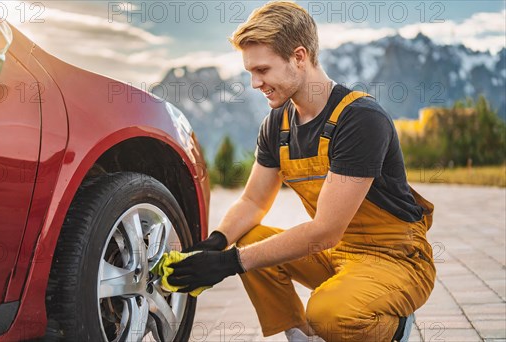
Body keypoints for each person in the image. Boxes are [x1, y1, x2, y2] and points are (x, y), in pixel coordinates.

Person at [168, 1, 436, 341]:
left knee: (329, 314)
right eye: (250, 71)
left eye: (262, 70)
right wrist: (215, 244)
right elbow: (252, 201)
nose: (254, 83)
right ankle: (303, 336)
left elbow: (325, 231)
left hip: (395, 259)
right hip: (336, 255)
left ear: (299, 56)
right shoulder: (276, 125)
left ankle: (395, 327)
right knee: (248, 236)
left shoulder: (360, 119)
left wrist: (229, 264)